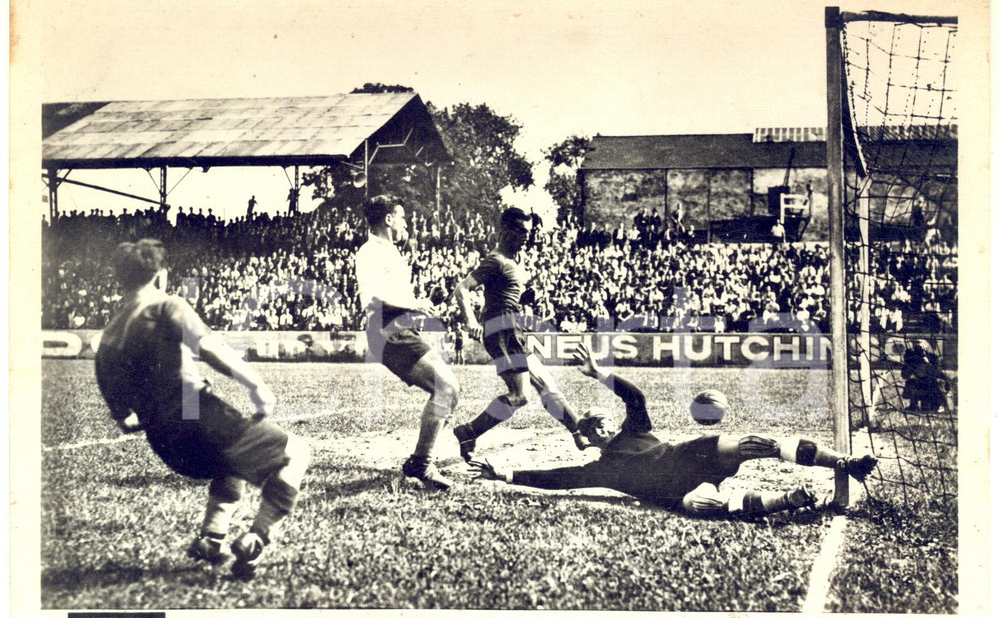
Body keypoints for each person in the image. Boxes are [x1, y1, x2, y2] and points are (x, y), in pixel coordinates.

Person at [94, 239, 310, 579]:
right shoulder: (167, 306)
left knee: (230, 460)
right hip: (198, 418)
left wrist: (143, 413)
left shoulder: (108, 335)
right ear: (160, 275)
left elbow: (124, 417)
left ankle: (212, 536)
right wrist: (256, 384)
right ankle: (258, 538)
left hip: (166, 445)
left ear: (120, 279)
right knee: (297, 452)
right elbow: (211, 346)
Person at [471, 344, 878, 518]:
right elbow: (556, 480)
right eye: (594, 423)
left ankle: (844, 462)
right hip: (675, 492)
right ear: (589, 437)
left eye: (603, 417)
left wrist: (600, 374)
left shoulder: (634, 430)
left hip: (690, 454)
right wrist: (505, 475)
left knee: (759, 443)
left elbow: (635, 397)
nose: (604, 421)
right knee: (710, 506)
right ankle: (790, 500)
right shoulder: (600, 469)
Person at [452, 207, 588, 461]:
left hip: (514, 328)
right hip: (502, 330)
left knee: (546, 384)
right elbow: (462, 289)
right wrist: (471, 321)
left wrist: (524, 297)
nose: (527, 236)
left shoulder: (516, 260)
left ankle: (580, 433)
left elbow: (505, 293)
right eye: (521, 231)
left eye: (529, 231)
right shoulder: (497, 261)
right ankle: (469, 431)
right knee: (520, 395)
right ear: (506, 231)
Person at [355, 195, 459, 489]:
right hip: (386, 330)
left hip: (401, 329)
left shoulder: (388, 251)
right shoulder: (369, 252)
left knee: (451, 392)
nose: (406, 223)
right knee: (445, 388)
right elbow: (371, 299)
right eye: (402, 218)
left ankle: (424, 457)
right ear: (388, 220)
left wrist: (416, 304)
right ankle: (421, 464)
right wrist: (414, 304)